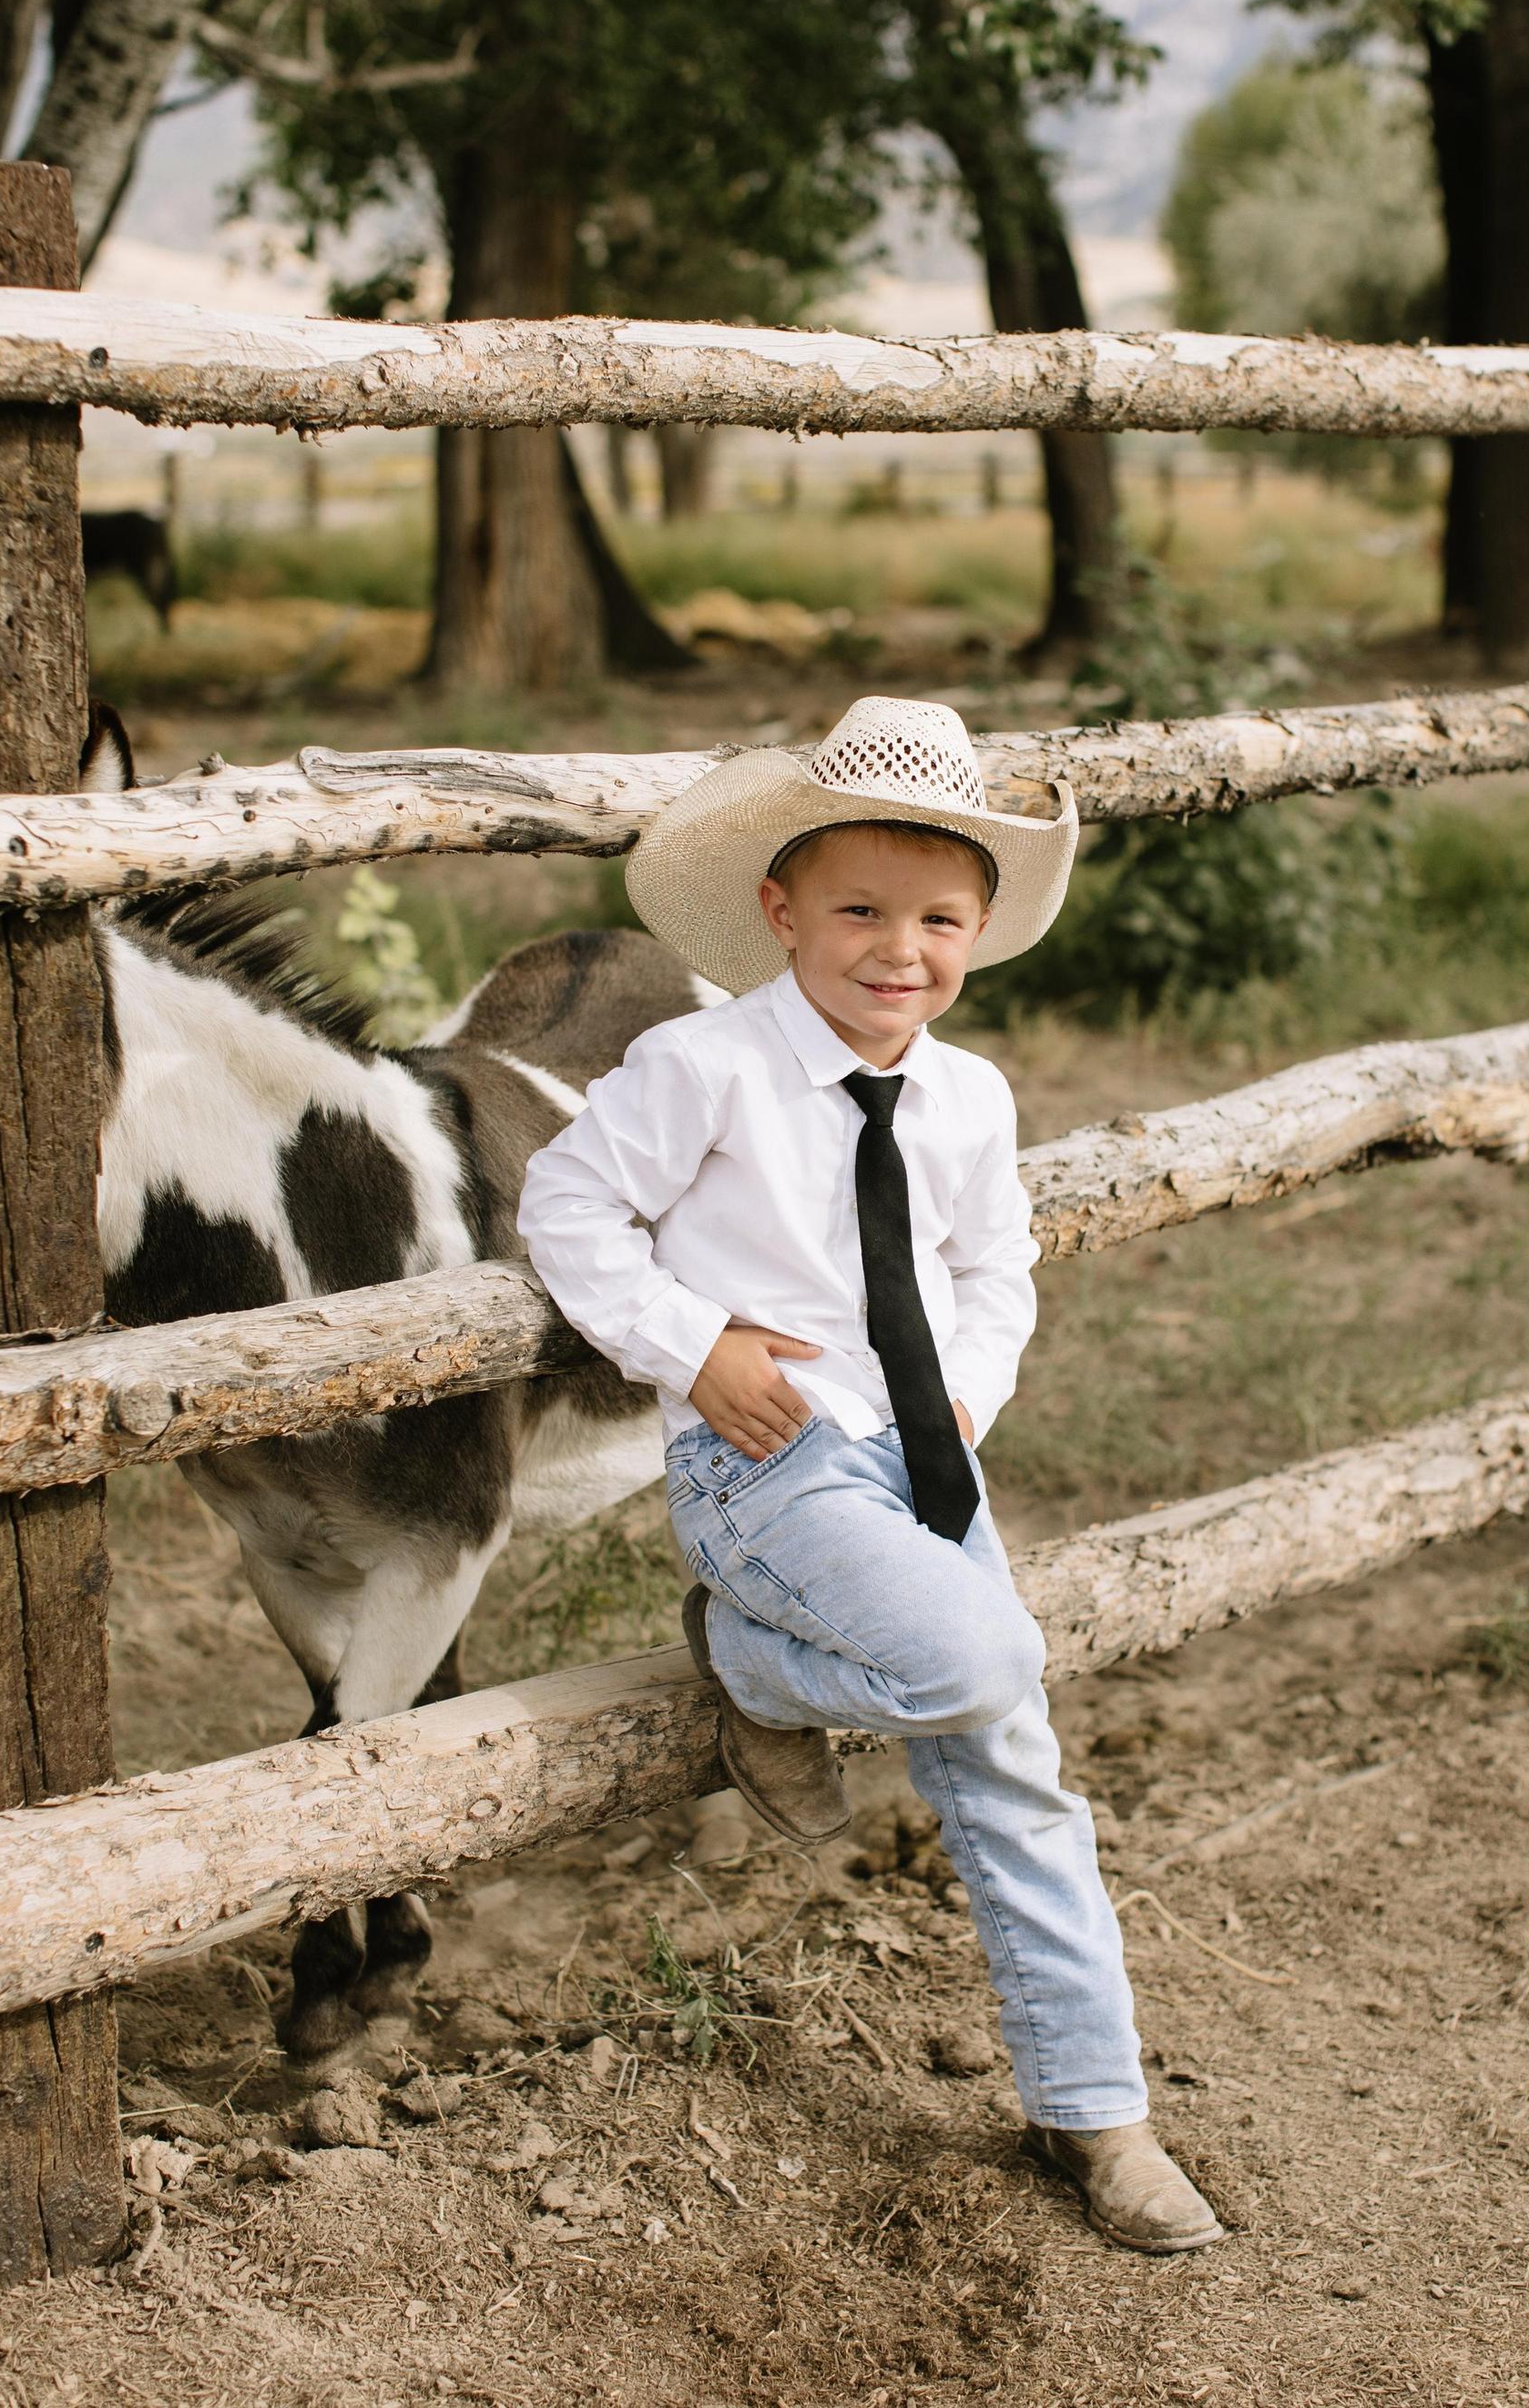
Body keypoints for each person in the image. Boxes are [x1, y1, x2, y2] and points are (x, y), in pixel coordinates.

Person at [517, 696, 1221, 2255]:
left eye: (937, 920)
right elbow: (567, 1206)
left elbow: (996, 1269)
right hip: (768, 1461)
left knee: (1013, 1757)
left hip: (925, 1453)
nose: (897, 950)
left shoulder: (968, 1097)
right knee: (988, 1657)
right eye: (858, 911)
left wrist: (963, 1396)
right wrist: (692, 1342)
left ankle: (1099, 2116)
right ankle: (763, 1658)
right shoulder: (700, 1066)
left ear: (978, 928)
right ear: (780, 908)